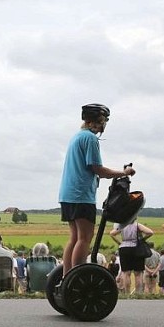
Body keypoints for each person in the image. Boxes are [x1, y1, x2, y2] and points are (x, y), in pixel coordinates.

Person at [58, 103, 136, 273]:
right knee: (85, 237)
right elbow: (98, 169)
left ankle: (66, 276)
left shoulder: (77, 136)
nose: (104, 125)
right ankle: (76, 274)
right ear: (96, 121)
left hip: (68, 194)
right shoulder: (90, 139)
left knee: (74, 237)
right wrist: (123, 173)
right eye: (103, 121)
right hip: (81, 195)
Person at [110, 219, 153, 294]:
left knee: (126, 273)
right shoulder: (137, 225)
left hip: (124, 248)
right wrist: (142, 239)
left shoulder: (122, 226)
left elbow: (112, 233)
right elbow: (150, 232)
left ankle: (127, 293)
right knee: (138, 273)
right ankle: (138, 293)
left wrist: (119, 242)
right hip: (136, 248)